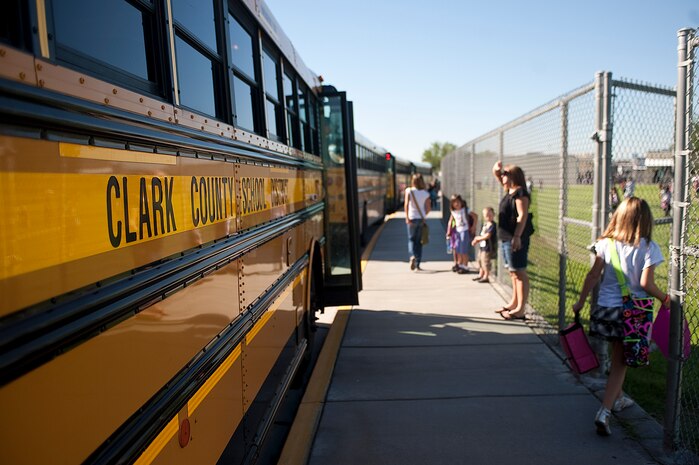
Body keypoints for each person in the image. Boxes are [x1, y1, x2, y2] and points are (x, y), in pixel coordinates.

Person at [572, 197, 667, 436]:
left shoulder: (606, 244)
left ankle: (619, 397)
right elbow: (646, 283)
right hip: (632, 315)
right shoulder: (648, 247)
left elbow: (593, 276)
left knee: (617, 355)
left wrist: (580, 302)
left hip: (606, 310)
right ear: (646, 220)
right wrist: (666, 298)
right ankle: (605, 411)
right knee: (620, 363)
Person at [492, 161, 532, 320]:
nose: (502, 177)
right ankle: (514, 303)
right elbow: (499, 177)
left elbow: (522, 217)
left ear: (514, 176)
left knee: (519, 272)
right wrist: (496, 170)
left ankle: (520, 310)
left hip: (515, 239)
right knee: (513, 272)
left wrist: (516, 237)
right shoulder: (510, 190)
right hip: (506, 237)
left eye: (506, 174)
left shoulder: (520, 193)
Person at [404, 173, 431, 271]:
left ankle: (412, 256)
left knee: (411, 239)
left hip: (411, 218)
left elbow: (406, 205)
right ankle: (418, 264)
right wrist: (424, 215)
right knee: (419, 242)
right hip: (421, 219)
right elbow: (428, 207)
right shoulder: (425, 193)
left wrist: (407, 217)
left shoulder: (409, 191)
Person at [445, 194, 471, 274]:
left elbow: (475, 216)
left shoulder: (465, 210)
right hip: (457, 232)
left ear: (461, 202)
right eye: (454, 202)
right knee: (458, 249)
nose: (456, 204)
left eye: (458, 202)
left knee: (464, 249)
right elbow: (450, 221)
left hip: (465, 230)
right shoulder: (453, 212)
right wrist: (448, 231)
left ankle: (465, 265)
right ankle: (460, 264)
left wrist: (473, 227)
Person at [471, 207, 496, 283]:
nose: (488, 217)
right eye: (486, 215)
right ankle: (480, 274)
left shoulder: (492, 225)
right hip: (482, 246)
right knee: (480, 261)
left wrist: (478, 238)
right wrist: (477, 240)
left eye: (490, 215)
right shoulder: (485, 224)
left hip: (488, 247)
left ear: (493, 215)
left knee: (485, 262)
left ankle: (486, 276)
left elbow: (487, 235)